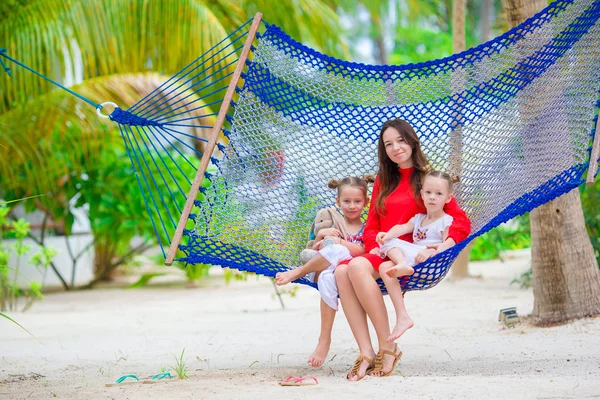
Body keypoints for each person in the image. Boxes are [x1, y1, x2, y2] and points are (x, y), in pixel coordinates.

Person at [334, 119, 471, 381]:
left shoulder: (427, 181)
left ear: (412, 141)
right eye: (388, 144)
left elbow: (461, 222)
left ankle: (387, 347)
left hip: (412, 256)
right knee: (342, 272)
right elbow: (373, 224)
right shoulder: (383, 181)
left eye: (401, 140)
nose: (396, 147)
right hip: (383, 250)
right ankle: (366, 352)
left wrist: (444, 245)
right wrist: (377, 249)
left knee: (352, 267)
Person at [275, 175, 375, 367]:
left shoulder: (367, 227)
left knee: (332, 267)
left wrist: (338, 242)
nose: (352, 206)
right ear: (338, 201)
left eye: (357, 201)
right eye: (346, 201)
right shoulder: (332, 225)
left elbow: (364, 252)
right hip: (325, 268)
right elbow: (314, 248)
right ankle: (324, 339)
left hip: (349, 272)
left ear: (366, 202)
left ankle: (298, 273)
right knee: (328, 268)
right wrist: (322, 235)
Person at [377, 170, 457, 342]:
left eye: (438, 193)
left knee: (390, 244)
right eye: (428, 192)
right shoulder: (419, 218)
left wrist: (431, 251)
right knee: (384, 265)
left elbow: (448, 244)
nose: (432, 197)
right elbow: (401, 228)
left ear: (448, 198)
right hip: (414, 261)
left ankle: (401, 263)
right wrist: (386, 234)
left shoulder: (446, 221)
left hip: (428, 263)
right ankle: (402, 315)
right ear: (422, 194)